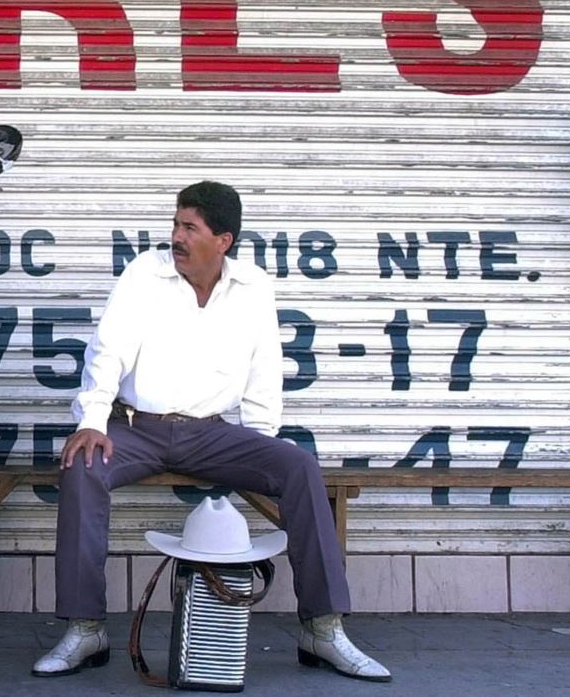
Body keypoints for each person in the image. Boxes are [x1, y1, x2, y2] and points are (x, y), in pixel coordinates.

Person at [32, 181, 390, 683]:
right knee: (82, 466)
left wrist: (261, 439)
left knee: (298, 466)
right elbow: (106, 350)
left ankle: (322, 630)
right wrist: (92, 420)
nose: (176, 236)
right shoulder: (145, 274)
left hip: (209, 434)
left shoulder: (253, 286)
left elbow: (266, 365)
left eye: (189, 227)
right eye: (175, 224)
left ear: (222, 240)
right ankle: (85, 628)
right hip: (137, 428)